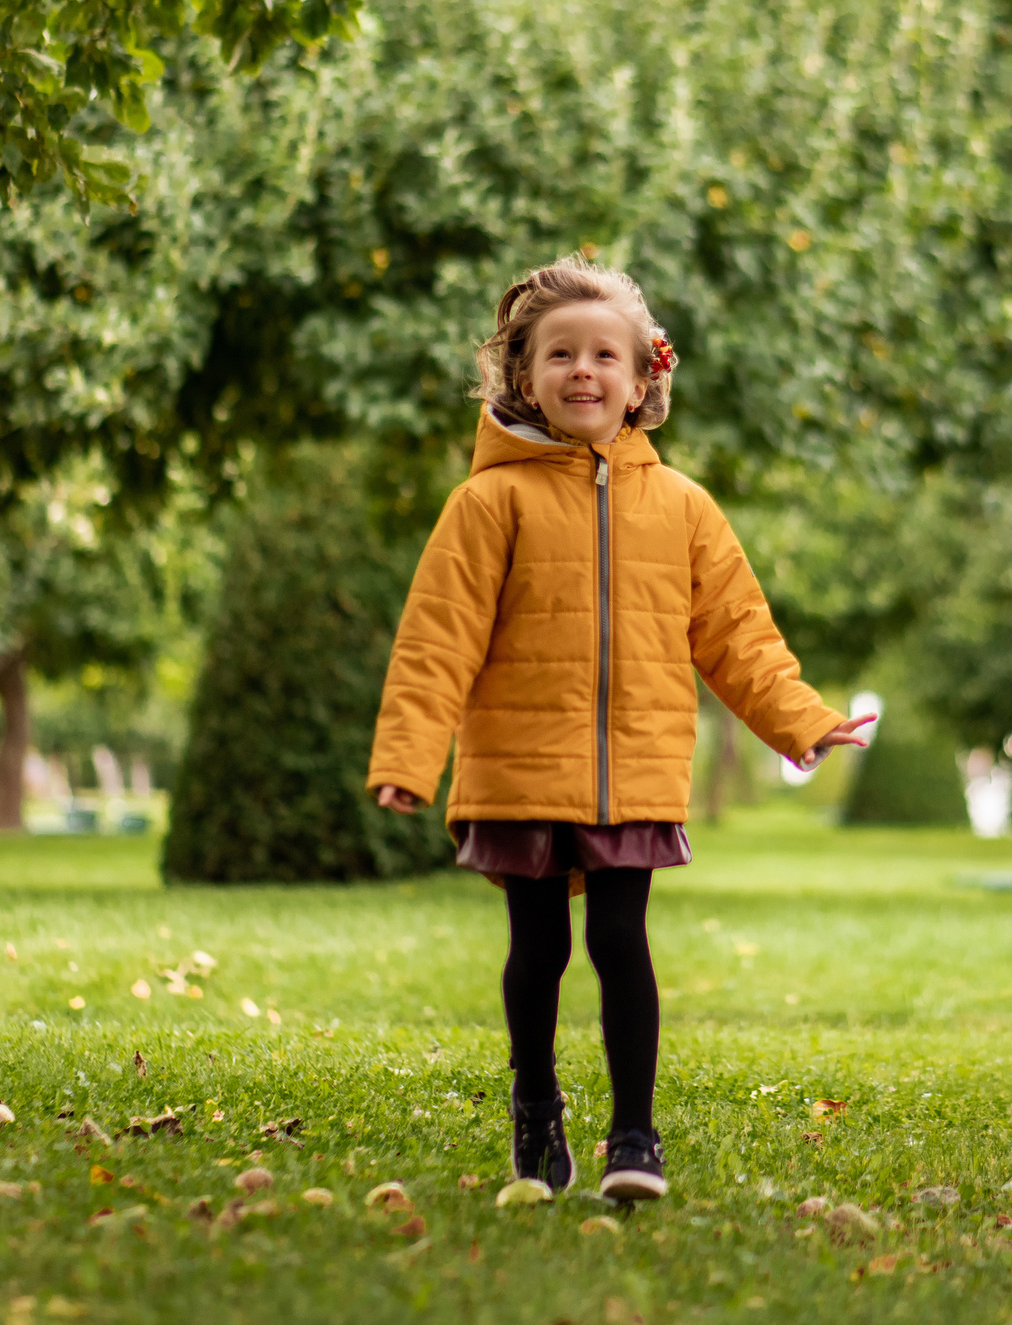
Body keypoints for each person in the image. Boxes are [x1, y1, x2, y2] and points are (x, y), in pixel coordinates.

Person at [366, 256, 873, 1203]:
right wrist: (408, 759)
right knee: (540, 949)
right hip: (518, 766)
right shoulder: (488, 503)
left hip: (633, 768)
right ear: (525, 377)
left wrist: (801, 722)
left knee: (621, 941)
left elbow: (739, 638)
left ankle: (634, 1136)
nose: (583, 371)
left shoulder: (682, 509)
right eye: (561, 354)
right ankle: (535, 1105)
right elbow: (438, 637)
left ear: (644, 381)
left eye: (605, 355)